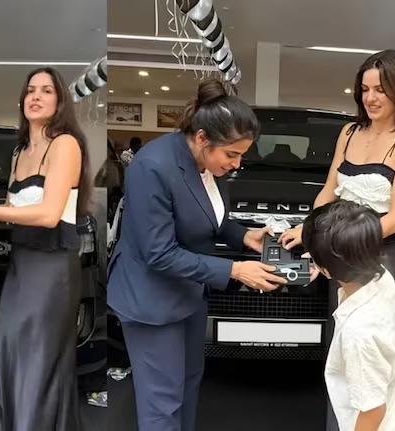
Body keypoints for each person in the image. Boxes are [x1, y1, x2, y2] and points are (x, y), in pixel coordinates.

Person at [106, 78, 287, 431]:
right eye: (231, 155)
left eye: (241, 155)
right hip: (150, 299)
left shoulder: (210, 164)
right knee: (162, 401)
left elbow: (209, 217)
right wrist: (235, 270)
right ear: (202, 137)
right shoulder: (152, 167)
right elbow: (159, 253)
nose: (236, 164)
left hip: (189, 292)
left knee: (187, 387)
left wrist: (244, 235)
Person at [0, 66, 92, 431]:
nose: (35, 96)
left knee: (40, 361)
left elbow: (48, 214)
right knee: (13, 353)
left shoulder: (65, 144)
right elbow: (13, 209)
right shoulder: (19, 151)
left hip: (53, 267)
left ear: (60, 101)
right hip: (21, 264)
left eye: (46, 90)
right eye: (30, 90)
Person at [278, 49, 395, 392]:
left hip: (380, 257)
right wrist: (309, 230)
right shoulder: (349, 132)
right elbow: (328, 191)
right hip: (340, 256)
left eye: (380, 89)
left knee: (373, 358)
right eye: (365, 89)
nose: (370, 98)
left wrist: (334, 243)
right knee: (342, 351)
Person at [302, 200, 395, 431]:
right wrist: (324, 263)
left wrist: (324, 263)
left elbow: (373, 409)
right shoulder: (382, 277)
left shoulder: (358, 335)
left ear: (326, 269)